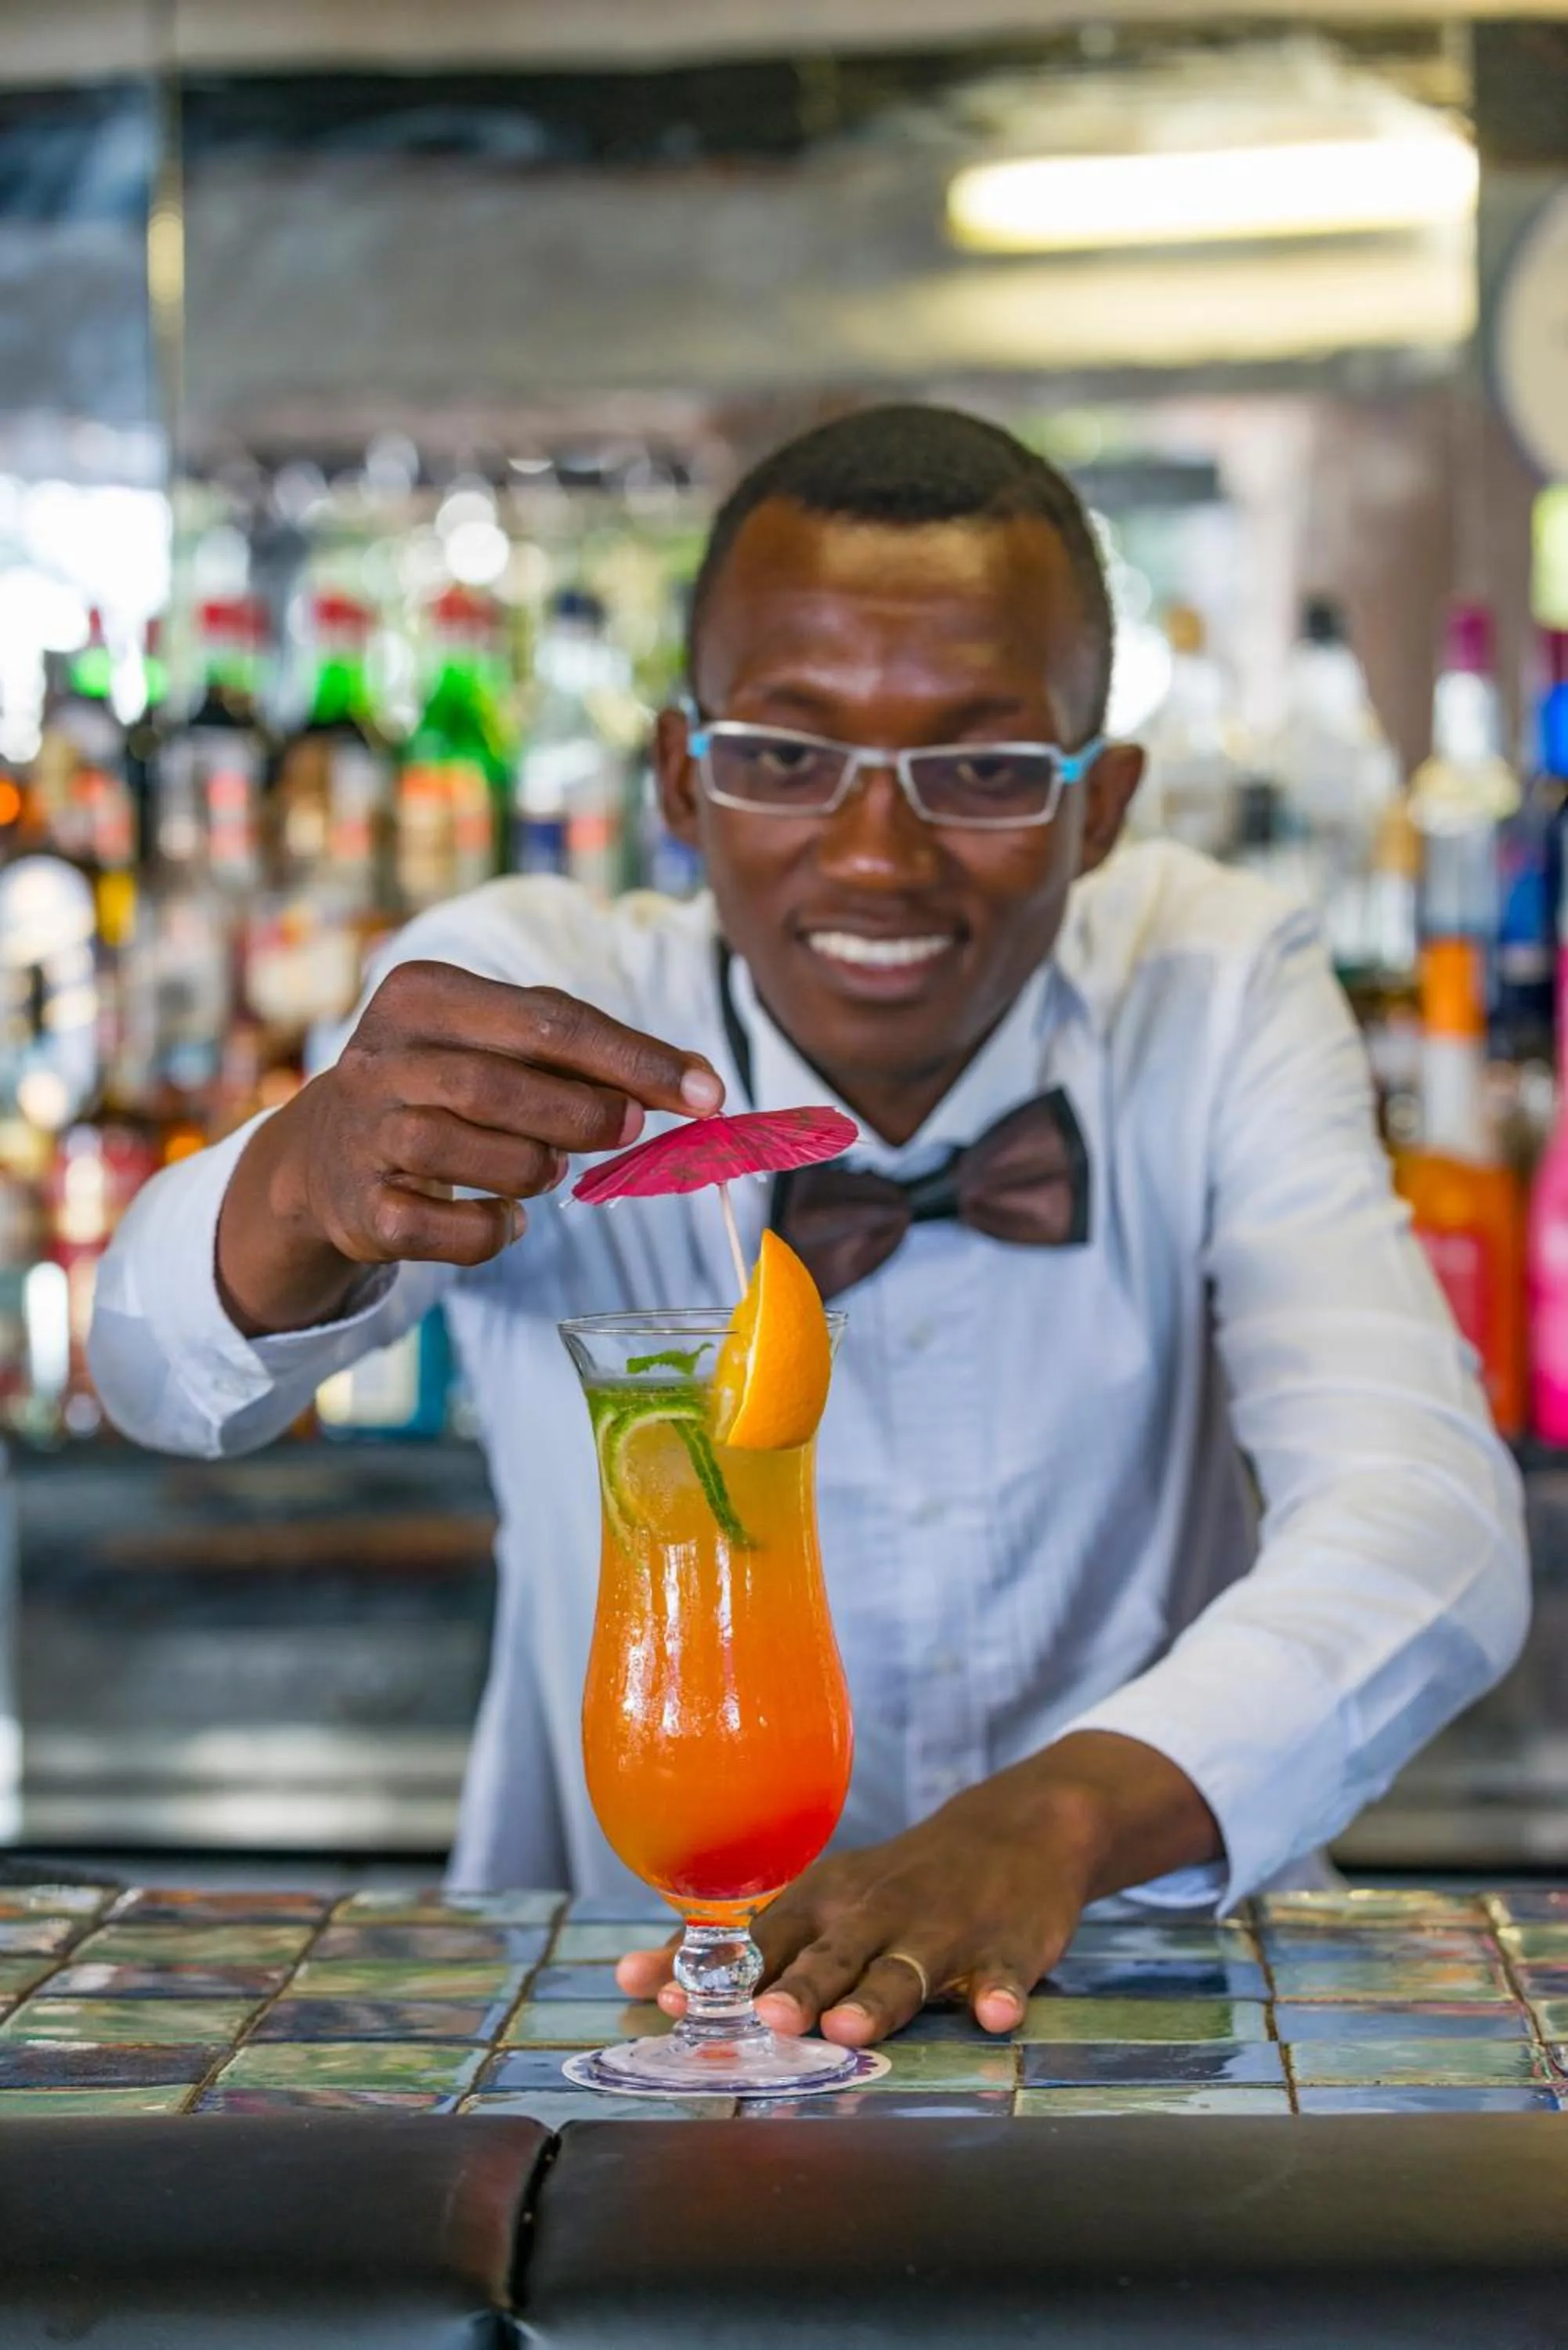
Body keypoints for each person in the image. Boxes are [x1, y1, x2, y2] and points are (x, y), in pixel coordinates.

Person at [90, 404, 1527, 2053]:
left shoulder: (1208, 981)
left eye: (980, 768)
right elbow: (158, 1379)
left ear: (1102, 803)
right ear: (679, 782)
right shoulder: (540, 994)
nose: (874, 854)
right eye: (784, 756)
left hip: (1149, 2012)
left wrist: (1054, 1822)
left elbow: (1424, 1521)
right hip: (632, 2012)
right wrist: (302, 1181)